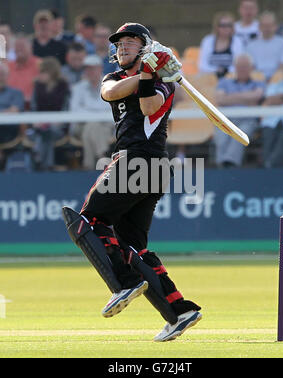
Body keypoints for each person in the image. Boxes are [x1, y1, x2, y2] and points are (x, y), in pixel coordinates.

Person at [67, 22, 201, 342]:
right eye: (119, 43)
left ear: (144, 46)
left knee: (89, 219)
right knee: (134, 247)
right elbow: (109, 93)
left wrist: (153, 75)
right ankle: (179, 310)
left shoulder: (163, 83)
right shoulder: (116, 77)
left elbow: (149, 106)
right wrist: (147, 72)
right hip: (148, 167)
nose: (122, 47)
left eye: (130, 42)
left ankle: (124, 283)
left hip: (139, 161)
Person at [214, 54, 265, 167]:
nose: (242, 69)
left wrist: (230, 97)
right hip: (226, 119)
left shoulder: (259, 83)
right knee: (221, 138)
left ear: (251, 68)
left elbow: (257, 96)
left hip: (248, 120)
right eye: (240, 66)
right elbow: (219, 99)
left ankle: (229, 165)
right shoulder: (224, 82)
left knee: (239, 136)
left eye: (245, 66)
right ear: (235, 67)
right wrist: (247, 99)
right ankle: (222, 168)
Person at [70, 55, 113, 169]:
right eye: (88, 69)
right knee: (93, 126)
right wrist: (98, 112)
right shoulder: (78, 88)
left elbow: (112, 109)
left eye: (93, 68)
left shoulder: (110, 86)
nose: (90, 72)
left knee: (91, 128)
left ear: (100, 69)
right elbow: (75, 111)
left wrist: (88, 110)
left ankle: (88, 165)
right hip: (83, 125)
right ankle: (102, 158)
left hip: (106, 124)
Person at [31, 57, 70, 170]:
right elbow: (34, 108)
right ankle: (47, 165)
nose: (40, 75)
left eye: (43, 72)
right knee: (44, 133)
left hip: (58, 126)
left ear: (51, 72)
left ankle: (39, 160)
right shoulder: (37, 86)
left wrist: (55, 122)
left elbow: (65, 108)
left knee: (46, 133)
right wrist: (36, 122)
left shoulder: (63, 86)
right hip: (38, 126)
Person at [246, 12, 283, 81]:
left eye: (270, 25)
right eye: (264, 25)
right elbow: (251, 67)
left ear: (275, 26)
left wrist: (273, 80)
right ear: (259, 27)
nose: (267, 28)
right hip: (256, 80)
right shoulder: (251, 45)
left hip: (279, 79)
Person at [198, 12, 244, 78]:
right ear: (216, 27)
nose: (226, 28)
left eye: (229, 25)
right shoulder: (207, 40)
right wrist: (216, 70)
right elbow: (202, 65)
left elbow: (238, 65)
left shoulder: (237, 41)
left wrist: (225, 71)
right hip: (209, 77)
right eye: (222, 25)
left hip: (231, 78)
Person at [0, 62, 24, 166]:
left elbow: (14, 111)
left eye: (2, 74)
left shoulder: (16, 93)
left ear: (7, 76)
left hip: (9, 130)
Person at [7, 34, 41, 106]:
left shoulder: (40, 65)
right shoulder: (7, 67)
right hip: (9, 108)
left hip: (33, 108)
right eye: (17, 46)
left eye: (22, 46)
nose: (19, 49)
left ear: (31, 48)